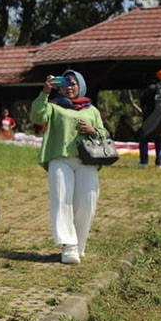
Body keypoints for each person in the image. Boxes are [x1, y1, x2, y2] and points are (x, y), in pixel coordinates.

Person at [30, 70, 108, 265]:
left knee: (87, 202)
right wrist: (45, 91)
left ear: (80, 86)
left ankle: (79, 244)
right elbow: (37, 116)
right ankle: (69, 246)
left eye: (73, 83)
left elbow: (104, 134)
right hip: (60, 159)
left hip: (87, 160)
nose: (69, 87)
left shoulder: (91, 110)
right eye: (65, 83)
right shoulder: (54, 106)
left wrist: (92, 130)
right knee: (62, 200)